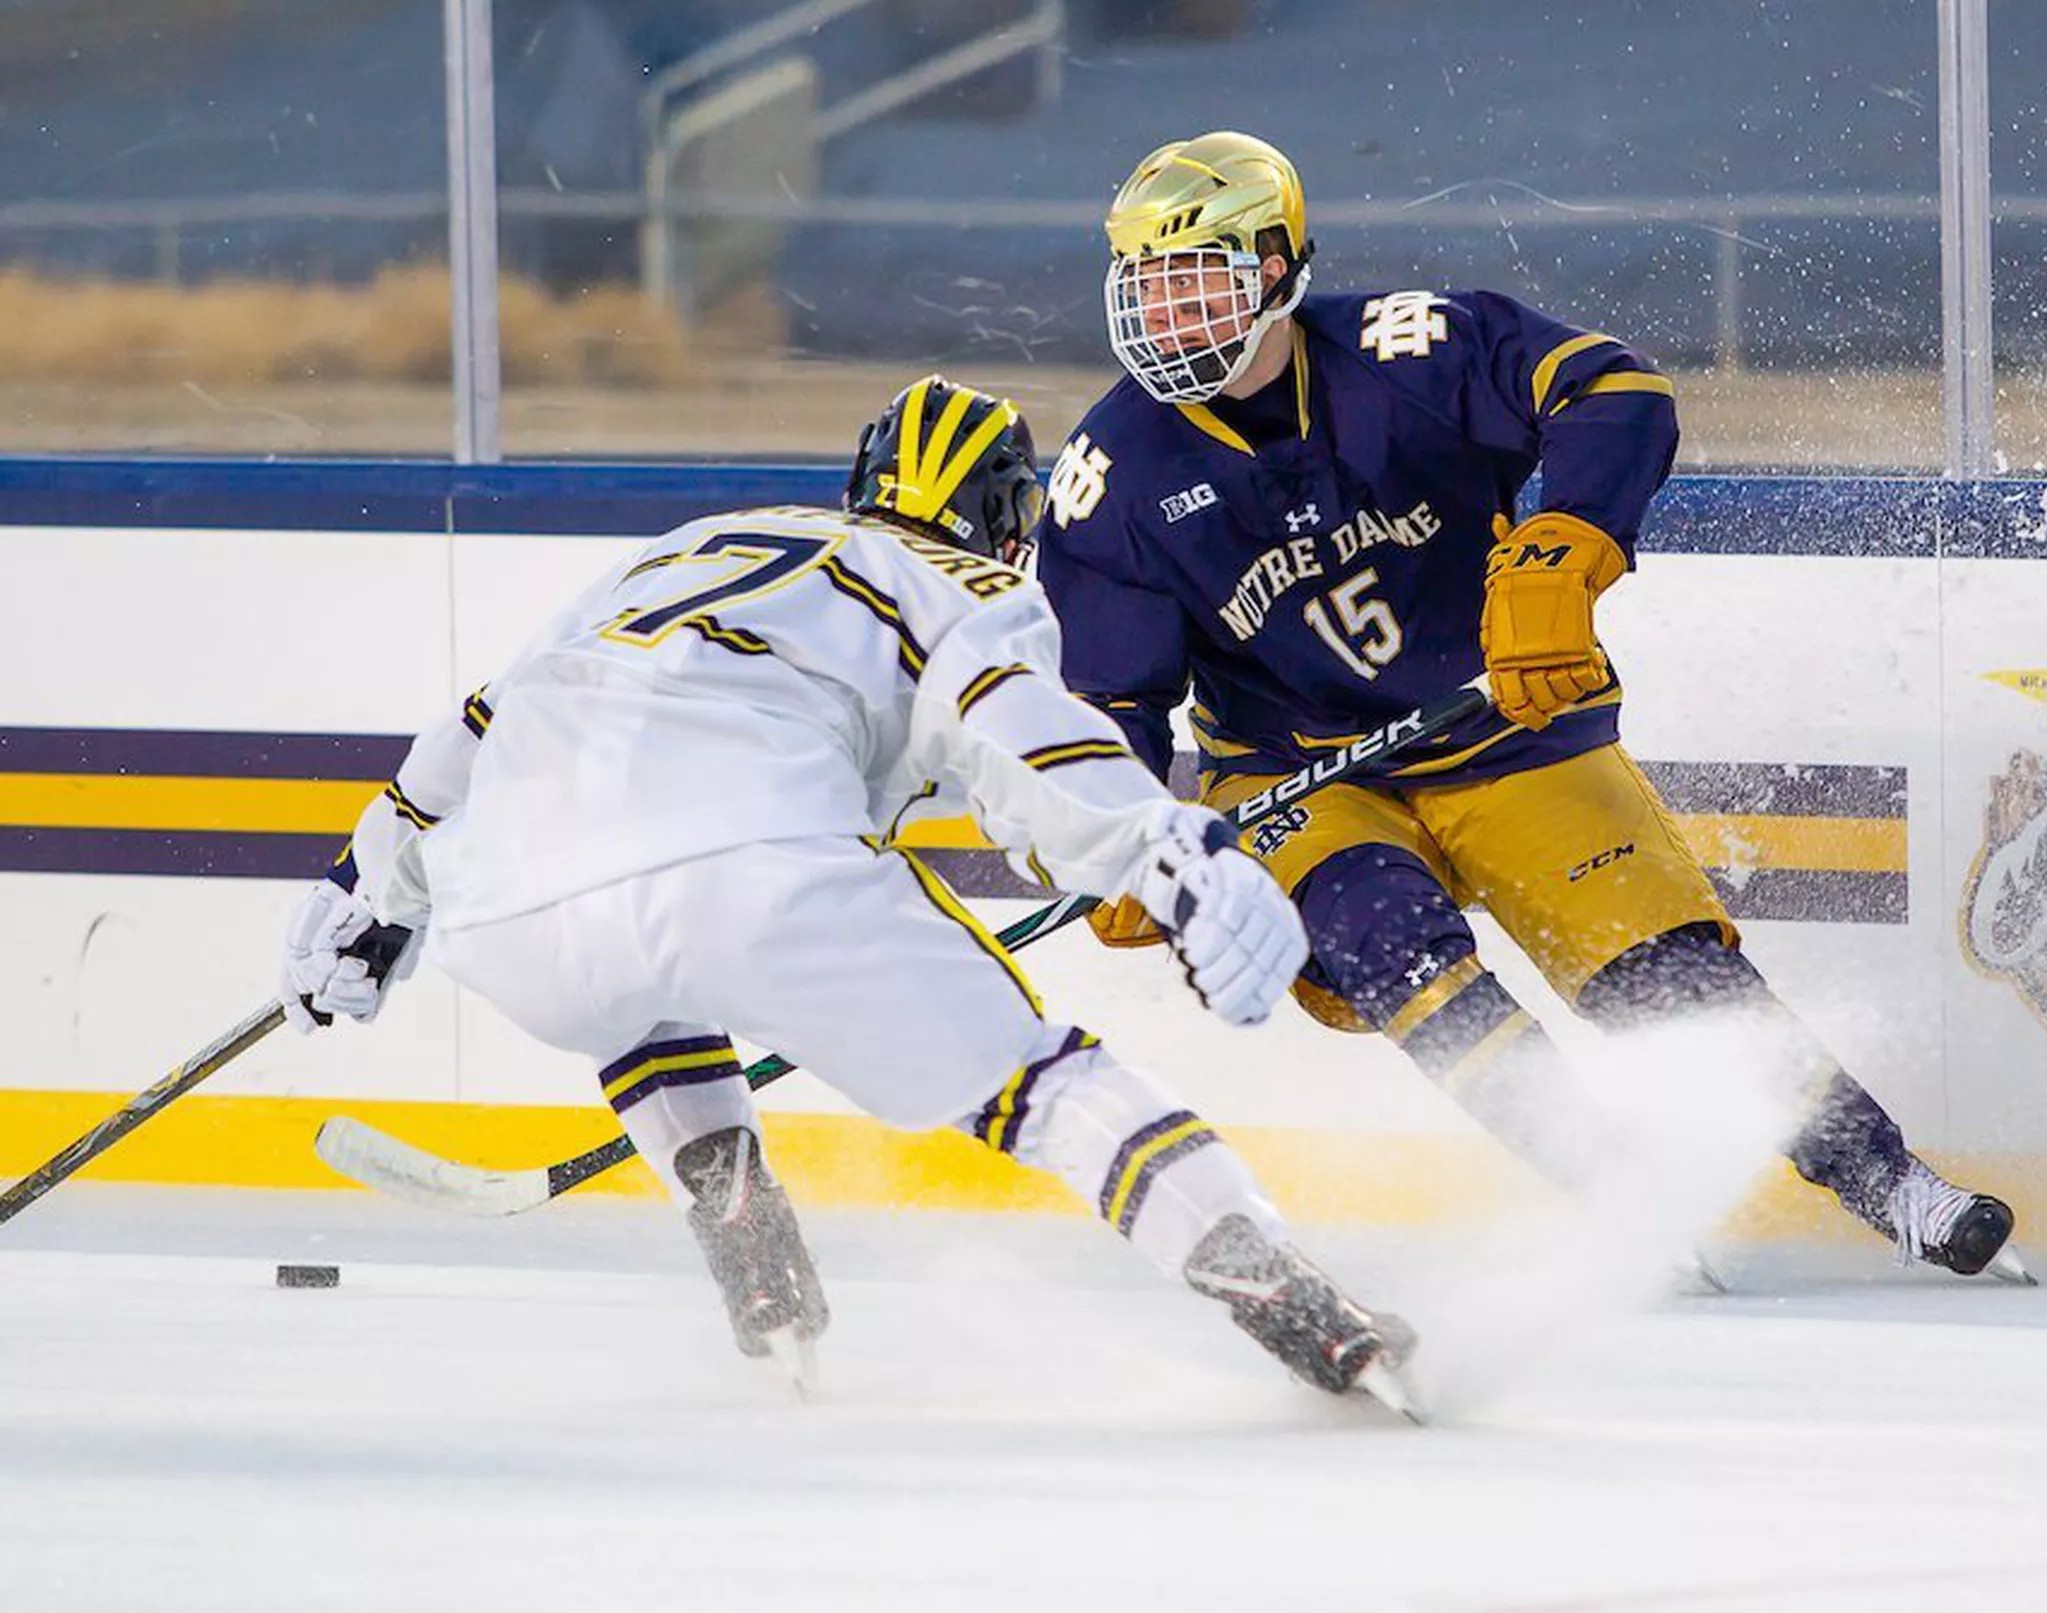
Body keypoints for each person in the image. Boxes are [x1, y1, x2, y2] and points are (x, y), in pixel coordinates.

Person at [274, 375, 1419, 1411]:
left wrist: (371, 891)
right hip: (754, 871)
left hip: (510, 906)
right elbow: (1020, 740)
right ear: (1007, 516)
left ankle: (749, 1251)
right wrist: (1159, 848)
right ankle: (1288, 1295)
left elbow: (487, 717)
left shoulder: (696, 542)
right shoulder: (961, 586)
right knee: (1045, 1084)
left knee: (640, 977)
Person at [1033, 131, 2020, 1278]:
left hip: (1501, 727)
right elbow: (1112, 696)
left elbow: (1613, 388)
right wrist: (1114, 829)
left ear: (1275, 266)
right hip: (1302, 777)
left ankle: (1889, 1181)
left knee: (1669, 981)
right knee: (1401, 955)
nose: (1167, 312)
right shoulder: (1107, 479)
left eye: (1195, 276)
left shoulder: (1406, 350)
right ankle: (1620, 1195)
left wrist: (1564, 543)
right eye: (1145, 284)